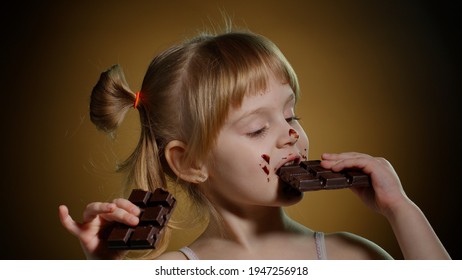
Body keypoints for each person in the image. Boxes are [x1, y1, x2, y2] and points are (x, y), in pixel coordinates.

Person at [58, 26, 451, 260]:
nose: (290, 133)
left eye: (291, 114)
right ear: (190, 161)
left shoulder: (350, 256)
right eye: (257, 129)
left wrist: (402, 209)